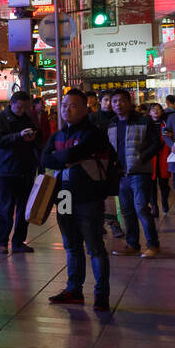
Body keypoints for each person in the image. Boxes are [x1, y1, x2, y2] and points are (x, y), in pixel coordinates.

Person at [43, 89, 115, 312]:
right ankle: (74, 290)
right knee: (71, 245)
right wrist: (63, 158)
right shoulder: (58, 135)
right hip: (63, 195)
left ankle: (101, 295)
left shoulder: (93, 133)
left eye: (73, 105)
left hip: (89, 196)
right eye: (64, 105)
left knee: (94, 247)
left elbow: (67, 156)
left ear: (85, 108)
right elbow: (44, 159)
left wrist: (62, 158)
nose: (66, 109)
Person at [108, 89, 162, 258]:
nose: (118, 104)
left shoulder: (144, 121)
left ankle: (153, 245)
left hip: (140, 172)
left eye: (122, 100)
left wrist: (142, 157)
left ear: (129, 102)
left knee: (141, 209)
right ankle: (132, 244)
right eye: (114, 101)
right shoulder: (112, 124)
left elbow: (156, 144)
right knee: (127, 211)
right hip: (121, 173)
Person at [0, 92, 39, 253]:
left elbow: (37, 141)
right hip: (7, 171)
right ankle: (2, 242)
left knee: (24, 209)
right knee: (6, 209)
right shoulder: (1, 119)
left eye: (25, 107)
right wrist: (19, 135)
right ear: (11, 103)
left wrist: (32, 138)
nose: (22, 110)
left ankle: (18, 242)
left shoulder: (28, 118)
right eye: (19, 107)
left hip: (26, 170)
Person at [147, 102, 173, 216]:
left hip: (163, 157)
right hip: (151, 158)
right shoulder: (146, 125)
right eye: (153, 109)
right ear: (149, 112)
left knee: (164, 183)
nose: (155, 111)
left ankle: (164, 202)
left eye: (158, 109)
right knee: (151, 185)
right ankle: (154, 206)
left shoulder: (166, 124)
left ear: (162, 111)